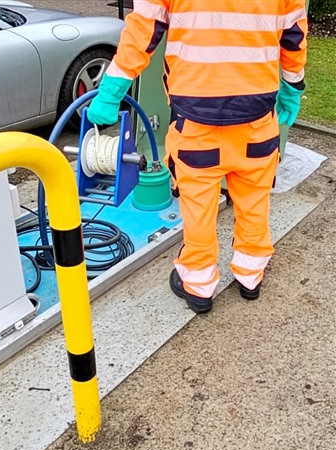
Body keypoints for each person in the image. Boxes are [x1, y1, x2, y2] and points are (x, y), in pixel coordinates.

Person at [87, 0, 308, 313]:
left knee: (198, 208)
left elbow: (143, 28)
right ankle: (250, 275)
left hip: (196, 123)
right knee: (254, 201)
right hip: (258, 120)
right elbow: (294, 33)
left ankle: (198, 285)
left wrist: (111, 92)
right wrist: (293, 86)